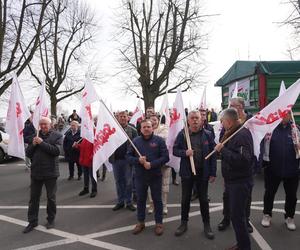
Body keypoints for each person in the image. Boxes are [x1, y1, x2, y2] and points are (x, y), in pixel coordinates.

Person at [173, 110, 216, 240]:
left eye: (197, 118)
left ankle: (207, 224)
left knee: (203, 199)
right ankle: (183, 223)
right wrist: (185, 152)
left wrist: (213, 172)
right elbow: (175, 150)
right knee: (185, 198)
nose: (195, 120)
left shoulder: (208, 134)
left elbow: (213, 154)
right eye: (192, 118)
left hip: (203, 172)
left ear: (201, 120)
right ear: (188, 120)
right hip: (187, 172)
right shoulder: (182, 134)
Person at [215, 108, 254, 250]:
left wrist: (223, 150)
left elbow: (244, 160)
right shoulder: (232, 132)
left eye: (222, 121)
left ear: (229, 121)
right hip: (232, 181)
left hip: (239, 182)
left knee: (238, 218)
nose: (222, 124)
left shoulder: (241, 134)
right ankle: (242, 244)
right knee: (236, 216)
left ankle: (244, 247)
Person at [127, 119, 169, 236]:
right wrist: (138, 160)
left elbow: (166, 157)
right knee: (140, 200)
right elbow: (128, 157)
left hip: (155, 175)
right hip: (140, 176)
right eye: (144, 127)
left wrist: (152, 164)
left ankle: (159, 223)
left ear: (152, 128)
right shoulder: (135, 141)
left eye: (148, 127)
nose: (146, 129)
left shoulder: (159, 141)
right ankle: (141, 222)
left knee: (157, 200)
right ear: (140, 129)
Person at [23, 117, 63, 233]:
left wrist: (41, 143)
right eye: (41, 124)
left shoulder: (57, 136)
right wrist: (33, 144)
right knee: (33, 198)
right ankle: (32, 221)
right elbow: (28, 153)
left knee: (51, 198)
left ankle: (51, 219)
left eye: (45, 124)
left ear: (50, 125)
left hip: (51, 172)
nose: (43, 126)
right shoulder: (35, 136)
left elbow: (56, 151)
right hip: (36, 172)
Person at [261, 112, 300, 231]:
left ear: (290, 115)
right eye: (283, 113)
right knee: (269, 193)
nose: (285, 116)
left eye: (287, 114)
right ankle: (267, 214)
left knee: (292, 196)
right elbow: (262, 146)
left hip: (292, 169)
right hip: (273, 168)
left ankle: (289, 217)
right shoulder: (270, 129)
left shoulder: (296, 130)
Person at [110, 111, 138, 212]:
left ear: (128, 118)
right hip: (116, 160)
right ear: (117, 118)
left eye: (124, 116)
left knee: (129, 182)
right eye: (120, 116)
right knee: (118, 182)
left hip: (128, 161)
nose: (122, 118)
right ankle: (120, 201)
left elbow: (137, 145)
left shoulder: (133, 130)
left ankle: (129, 202)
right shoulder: (112, 130)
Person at [148, 114, 171, 215]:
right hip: (151, 164)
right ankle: (152, 204)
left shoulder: (164, 128)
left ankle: (164, 205)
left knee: (164, 186)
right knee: (151, 185)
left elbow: (163, 138)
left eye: (155, 120)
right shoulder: (146, 131)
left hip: (164, 163)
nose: (153, 122)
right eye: (151, 120)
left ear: (158, 121)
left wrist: (149, 134)